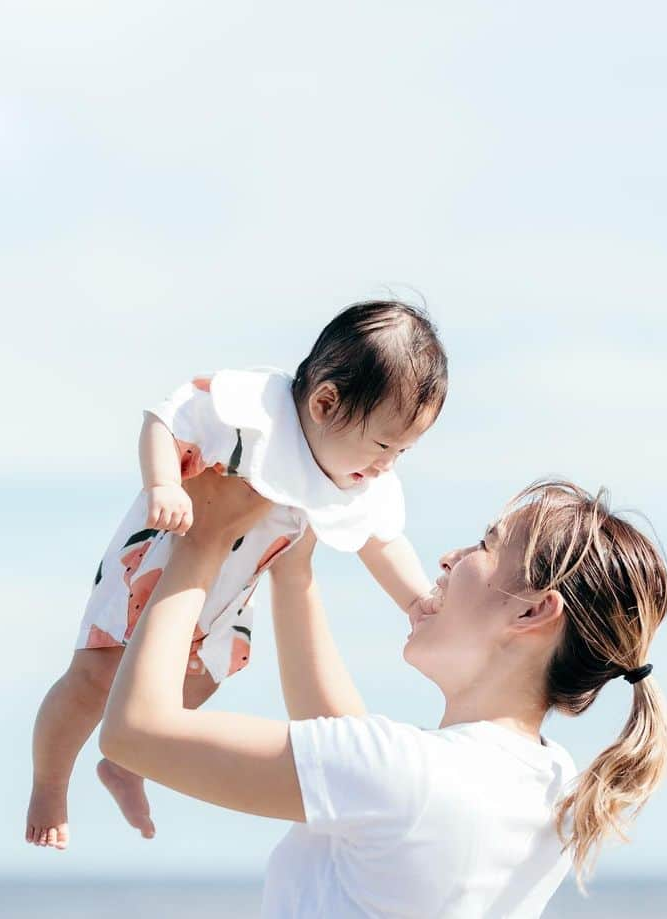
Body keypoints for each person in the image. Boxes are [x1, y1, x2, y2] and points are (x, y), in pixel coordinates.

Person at [100, 471, 667, 917]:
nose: (450, 558)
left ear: (532, 611)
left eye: (485, 544)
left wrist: (204, 542)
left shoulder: (410, 775)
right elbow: (357, 769)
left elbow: (134, 732)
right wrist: (294, 573)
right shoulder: (546, 779)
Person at [26, 301, 448, 849]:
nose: (388, 465)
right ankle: (49, 784)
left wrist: (415, 600)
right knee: (92, 682)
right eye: (385, 445)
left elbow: (380, 539)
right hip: (155, 561)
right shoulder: (251, 415)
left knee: (195, 686)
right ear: (325, 404)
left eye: (404, 451)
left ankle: (132, 765)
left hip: (226, 597)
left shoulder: (356, 474)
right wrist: (163, 485)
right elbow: (166, 418)